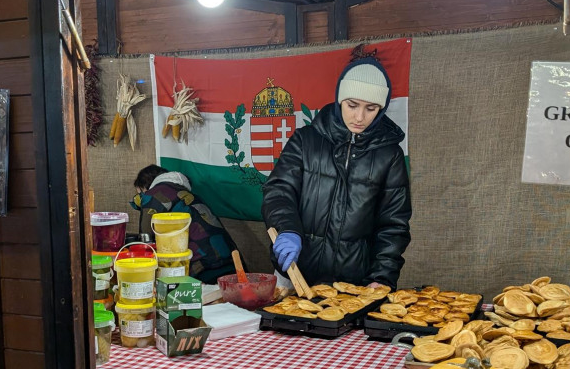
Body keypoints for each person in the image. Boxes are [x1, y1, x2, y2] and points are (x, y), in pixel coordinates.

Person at [262, 57, 412, 288]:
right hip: (294, 274)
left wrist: (381, 277)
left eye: (371, 108)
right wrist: (287, 229)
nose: (360, 117)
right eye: (352, 105)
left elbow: (393, 225)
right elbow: (279, 192)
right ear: (339, 99)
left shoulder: (389, 156)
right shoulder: (305, 140)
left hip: (354, 283)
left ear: (380, 109)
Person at [132, 165, 238, 284]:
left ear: (145, 187)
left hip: (202, 265)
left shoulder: (154, 194)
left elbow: (146, 242)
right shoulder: (184, 194)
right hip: (230, 260)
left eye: (140, 193)